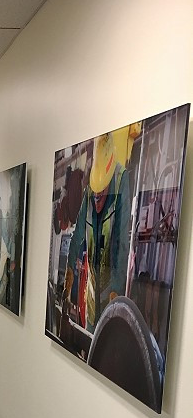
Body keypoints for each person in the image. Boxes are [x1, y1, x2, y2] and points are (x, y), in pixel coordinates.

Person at [64, 132, 131, 332]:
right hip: (92, 289)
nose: (97, 198)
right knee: (89, 336)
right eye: (95, 194)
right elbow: (77, 235)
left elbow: (122, 243)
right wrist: (69, 275)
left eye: (101, 194)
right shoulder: (90, 190)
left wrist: (116, 291)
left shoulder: (121, 180)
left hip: (111, 288)